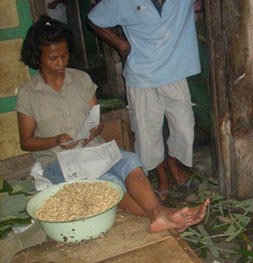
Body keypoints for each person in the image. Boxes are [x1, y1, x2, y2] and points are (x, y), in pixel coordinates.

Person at [15, 17, 209, 233]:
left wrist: (92, 131)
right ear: (38, 58)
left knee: (131, 162)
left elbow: (96, 122)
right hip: (59, 160)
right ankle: (163, 214)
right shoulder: (29, 94)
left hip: (93, 150)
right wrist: (56, 140)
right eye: (53, 59)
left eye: (65, 56)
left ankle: (159, 213)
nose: (61, 63)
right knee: (109, 182)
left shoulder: (81, 79)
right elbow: (26, 142)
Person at [87, 0, 200, 199]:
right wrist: (120, 43)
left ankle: (172, 163)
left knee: (185, 131)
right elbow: (94, 20)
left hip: (176, 73)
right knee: (147, 135)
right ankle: (162, 175)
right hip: (141, 78)